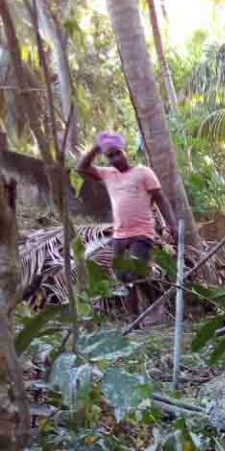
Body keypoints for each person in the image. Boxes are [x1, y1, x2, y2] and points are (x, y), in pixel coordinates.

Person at [78, 131, 177, 314]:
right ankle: (135, 320)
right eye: (110, 156)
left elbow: (160, 199)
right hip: (120, 235)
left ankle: (156, 308)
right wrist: (96, 148)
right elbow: (81, 168)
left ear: (125, 151)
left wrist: (172, 225)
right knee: (123, 278)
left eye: (118, 153)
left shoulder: (143, 172)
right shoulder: (108, 174)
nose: (115, 158)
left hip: (142, 233)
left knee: (135, 273)